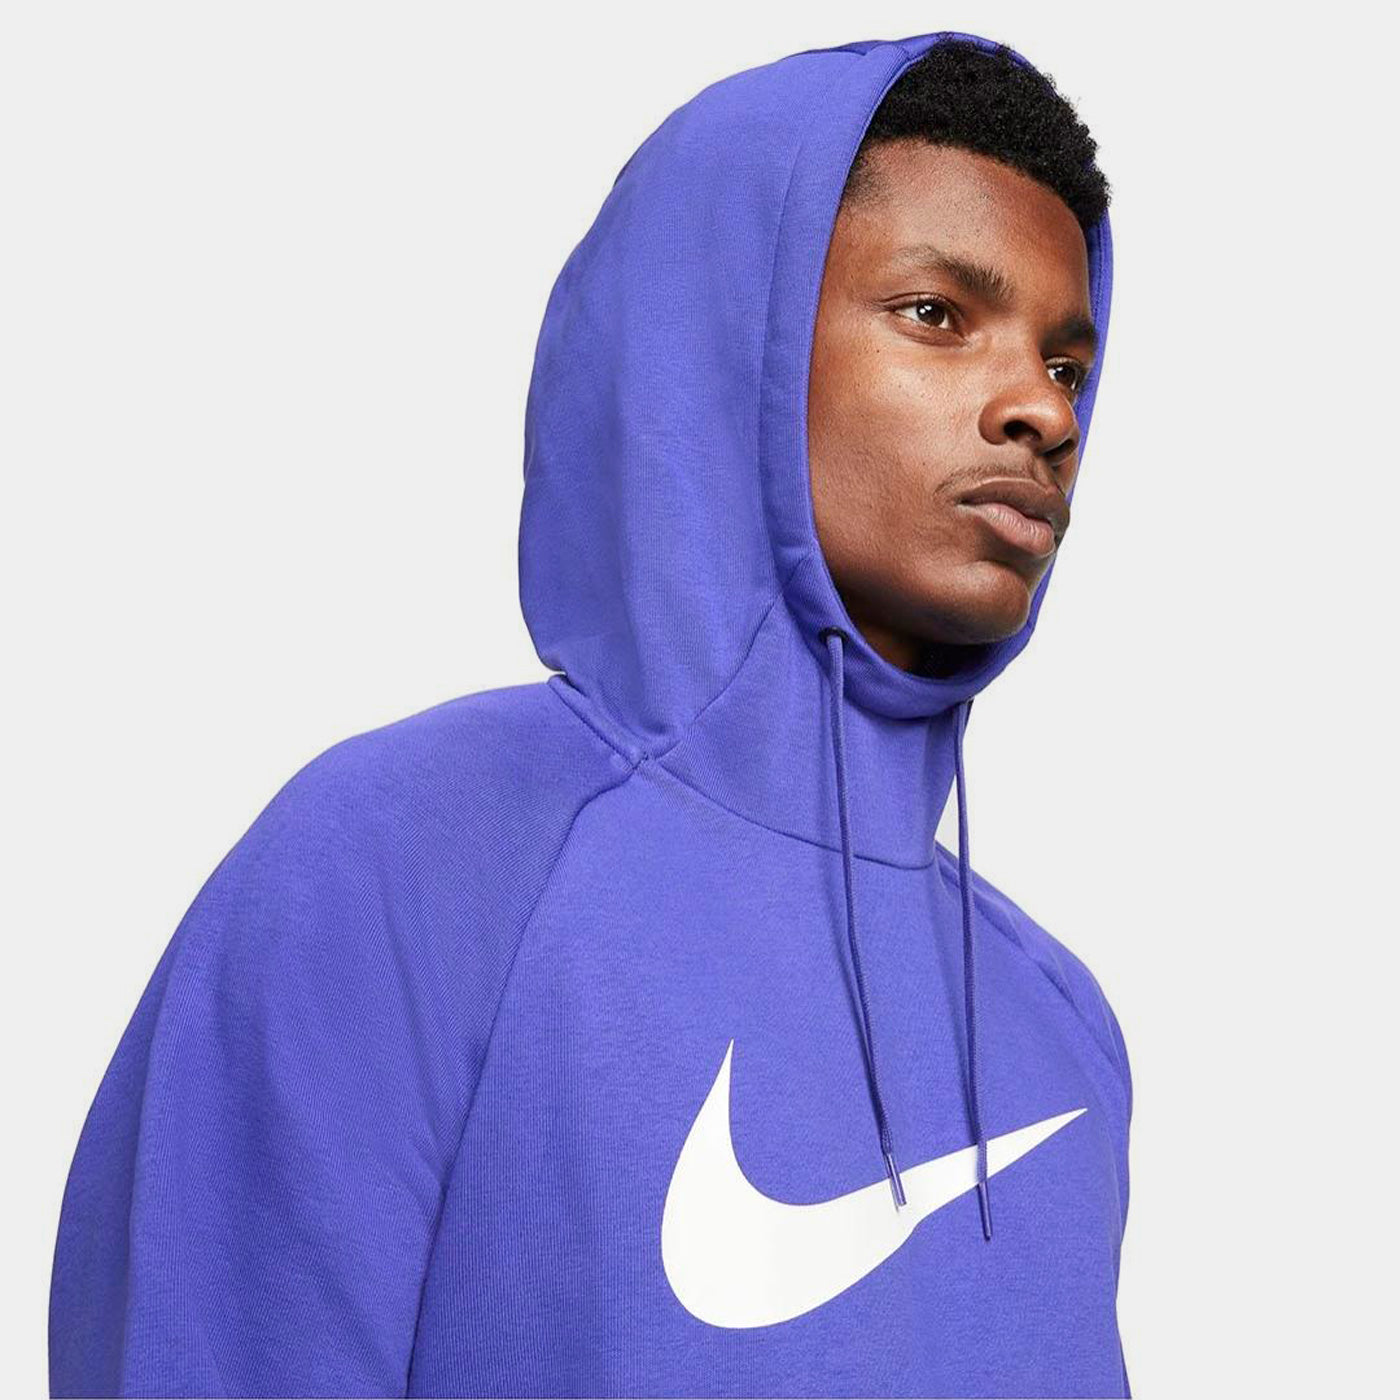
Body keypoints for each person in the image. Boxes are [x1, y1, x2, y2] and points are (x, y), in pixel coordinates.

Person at [49, 27, 1132, 1399]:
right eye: (936, 314)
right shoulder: (409, 865)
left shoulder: (1055, 1022)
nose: (1041, 410)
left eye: (1068, 364)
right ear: (726, 336)